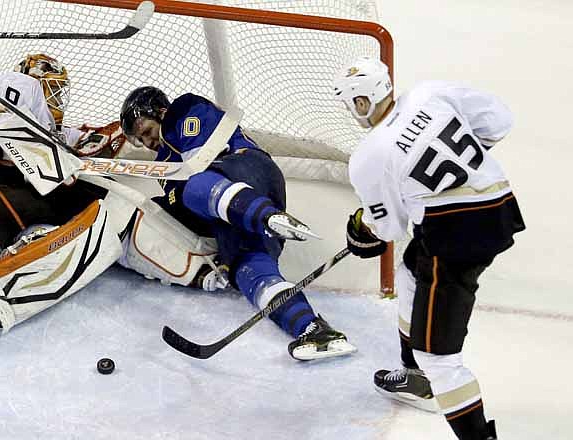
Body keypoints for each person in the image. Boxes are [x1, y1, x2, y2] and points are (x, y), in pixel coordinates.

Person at [0, 54, 228, 339]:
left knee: (107, 217)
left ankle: (201, 266)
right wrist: (42, 156)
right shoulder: (19, 84)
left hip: (3, 210)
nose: (56, 99)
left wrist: (115, 133)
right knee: (109, 203)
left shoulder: (52, 129)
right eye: (52, 89)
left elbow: (87, 142)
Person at [333, 56, 525, 439]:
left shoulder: (368, 157)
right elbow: (500, 120)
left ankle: (455, 408)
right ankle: (416, 379)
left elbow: (388, 228)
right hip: (499, 207)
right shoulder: (430, 92)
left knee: (439, 358)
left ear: (360, 103)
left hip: (456, 236)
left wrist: (362, 227)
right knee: (409, 271)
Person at [120, 87, 356, 361]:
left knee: (194, 185)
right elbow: (182, 206)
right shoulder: (162, 162)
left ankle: (265, 216)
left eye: (147, 131)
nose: (148, 142)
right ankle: (314, 330)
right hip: (229, 213)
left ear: (160, 112)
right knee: (251, 274)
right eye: (140, 140)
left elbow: (199, 165)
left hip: (248, 168)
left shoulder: (183, 110)